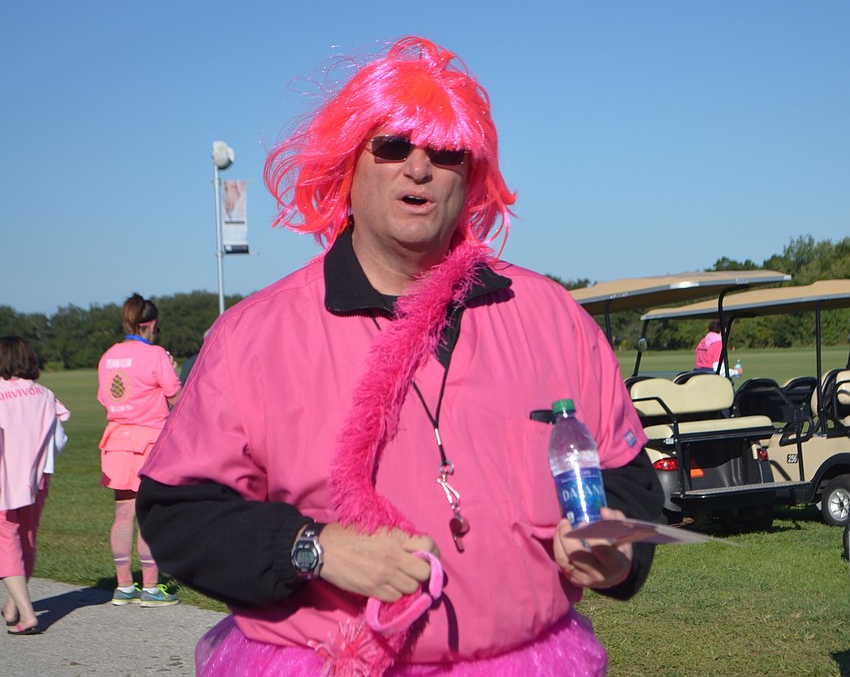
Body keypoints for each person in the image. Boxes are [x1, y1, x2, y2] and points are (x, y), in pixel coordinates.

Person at [137, 36, 663, 676]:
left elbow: (628, 479)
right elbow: (179, 514)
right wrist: (313, 548)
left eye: (445, 153)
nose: (419, 169)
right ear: (345, 166)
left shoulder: (553, 317)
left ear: (470, 176)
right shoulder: (254, 336)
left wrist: (618, 550)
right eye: (392, 147)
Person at [96, 293, 182, 607]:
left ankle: (123, 587)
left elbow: (105, 399)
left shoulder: (108, 356)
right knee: (148, 516)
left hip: (116, 441)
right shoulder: (156, 354)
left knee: (122, 514)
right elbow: (177, 399)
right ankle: (150, 588)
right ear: (152, 324)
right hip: (149, 443)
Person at [0, 335, 70, 635]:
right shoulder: (45, 394)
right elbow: (59, 439)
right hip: (37, 478)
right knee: (27, 540)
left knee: (6, 541)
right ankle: (14, 607)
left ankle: (27, 614)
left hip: (4, 478)